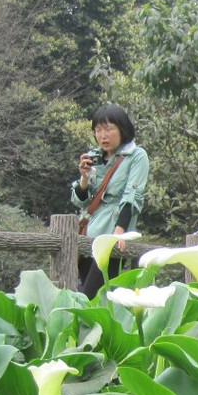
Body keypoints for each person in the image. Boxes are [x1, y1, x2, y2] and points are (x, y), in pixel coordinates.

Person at [69, 104, 148, 298]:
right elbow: (80, 201)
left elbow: (132, 197)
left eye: (108, 129)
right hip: (88, 234)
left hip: (112, 235)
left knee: (92, 297)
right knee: (88, 297)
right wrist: (85, 178)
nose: (103, 135)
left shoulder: (137, 156)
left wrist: (119, 233)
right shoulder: (93, 157)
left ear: (122, 129)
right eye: (98, 130)